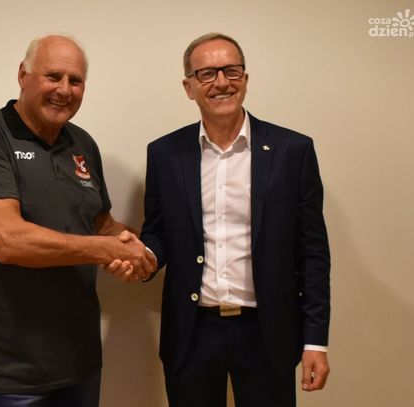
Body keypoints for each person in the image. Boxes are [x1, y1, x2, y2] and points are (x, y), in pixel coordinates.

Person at [0, 34, 155, 407]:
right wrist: (106, 249)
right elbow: (9, 241)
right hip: (14, 369)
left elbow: (101, 225)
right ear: (23, 75)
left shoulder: (82, 144)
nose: (64, 90)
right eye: (53, 76)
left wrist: (141, 249)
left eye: (75, 81)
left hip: (82, 359)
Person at [139, 33, 331, 406]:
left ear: (245, 79)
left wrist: (315, 341)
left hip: (267, 332)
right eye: (207, 73)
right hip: (192, 332)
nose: (221, 82)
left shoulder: (293, 151)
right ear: (189, 87)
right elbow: (158, 232)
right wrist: (142, 257)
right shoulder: (164, 153)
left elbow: (313, 253)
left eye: (231, 71)